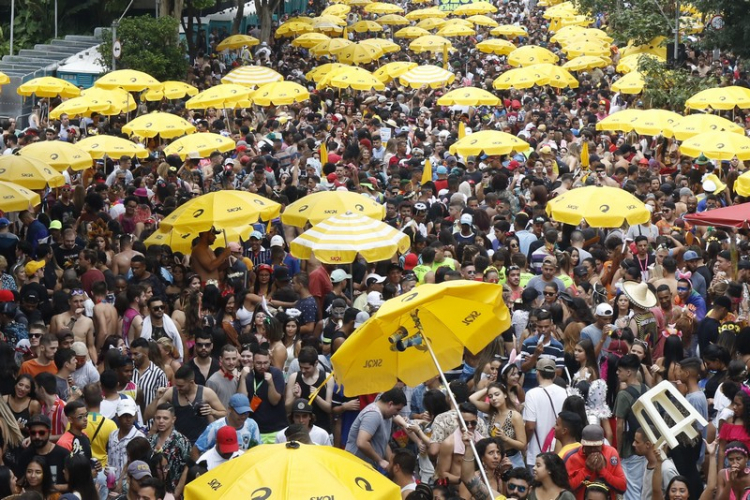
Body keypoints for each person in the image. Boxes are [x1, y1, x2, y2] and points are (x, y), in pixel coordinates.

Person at [145, 365, 226, 445]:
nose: (177, 388)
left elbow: (224, 414)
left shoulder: (206, 393)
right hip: (179, 443)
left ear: (191, 382)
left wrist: (213, 412)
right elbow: (147, 416)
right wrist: (156, 398)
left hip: (200, 443)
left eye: (181, 386)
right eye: (176, 385)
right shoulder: (172, 392)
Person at [613, 354, 649, 500]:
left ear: (628, 372)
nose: (617, 373)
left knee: (631, 489)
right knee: (643, 486)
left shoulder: (623, 395)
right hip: (646, 447)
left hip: (630, 448)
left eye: (619, 370)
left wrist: (619, 450)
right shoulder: (646, 388)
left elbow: (620, 425)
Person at [345, 387, 406, 470]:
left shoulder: (387, 416)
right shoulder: (373, 414)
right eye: (397, 409)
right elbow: (362, 442)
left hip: (367, 467)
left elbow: (383, 443)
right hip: (355, 466)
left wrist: (391, 463)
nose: (397, 413)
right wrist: (380, 460)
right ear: (390, 404)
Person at [523, 359, 567, 469]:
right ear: (554, 375)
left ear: (537, 373)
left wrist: (524, 443)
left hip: (536, 453)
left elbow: (530, 426)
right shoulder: (565, 392)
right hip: (558, 452)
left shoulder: (531, 394)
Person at [237, 348, 286, 443]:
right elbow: (242, 400)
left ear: (270, 361)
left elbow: (275, 401)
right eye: (258, 363)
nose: (262, 366)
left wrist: (271, 383)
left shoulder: (276, 374)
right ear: (253, 362)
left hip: (277, 429)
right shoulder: (248, 375)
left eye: (265, 363)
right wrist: (242, 378)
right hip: (256, 429)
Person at [566, 424, 626, 500]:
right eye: (589, 447)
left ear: (602, 444)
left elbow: (622, 487)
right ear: (583, 444)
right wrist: (586, 470)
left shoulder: (611, 453)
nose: (592, 450)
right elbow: (568, 488)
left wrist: (602, 471)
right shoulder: (573, 458)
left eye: (596, 447)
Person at [194, 393, 260, 458]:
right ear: (230, 409)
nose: (243, 416)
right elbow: (195, 451)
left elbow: (258, 449)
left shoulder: (252, 425)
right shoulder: (215, 427)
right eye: (240, 413)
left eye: (246, 413)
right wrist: (203, 468)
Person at [147, 403, 191, 496]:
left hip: (173, 491)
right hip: (153, 491)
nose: (161, 421)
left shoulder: (181, 441)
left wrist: (177, 492)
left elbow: (187, 468)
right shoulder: (151, 439)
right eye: (158, 418)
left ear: (173, 419)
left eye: (165, 418)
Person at [15, 415, 69, 488]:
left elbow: (73, 485)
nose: (37, 436)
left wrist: (51, 489)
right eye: (33, 433)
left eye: (42, 433)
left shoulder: (63, 454)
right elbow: (18, 483)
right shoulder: (25, 455)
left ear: (49, 432)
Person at [632, 427, 679, 500]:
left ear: (647, 444)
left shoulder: (666, 469)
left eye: (637, 442)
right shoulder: (647, 462)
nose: (633, 444)